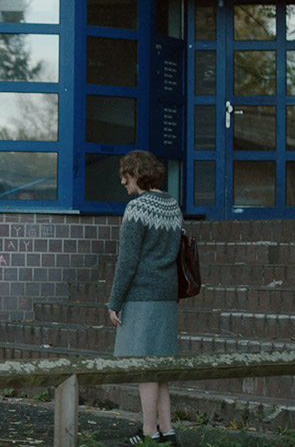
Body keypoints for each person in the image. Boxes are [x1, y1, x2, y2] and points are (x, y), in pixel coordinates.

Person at [107, 150, 183, 446]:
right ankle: (168, 430)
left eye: (125, 177)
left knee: (145, 367)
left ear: (136, 174)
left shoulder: (137, 208)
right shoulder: (173, 205)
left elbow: (127, 262)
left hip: (141, 297)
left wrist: (115, 301)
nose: (124, 184)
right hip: (166, 295)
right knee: (159, 366)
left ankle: (150, 433)